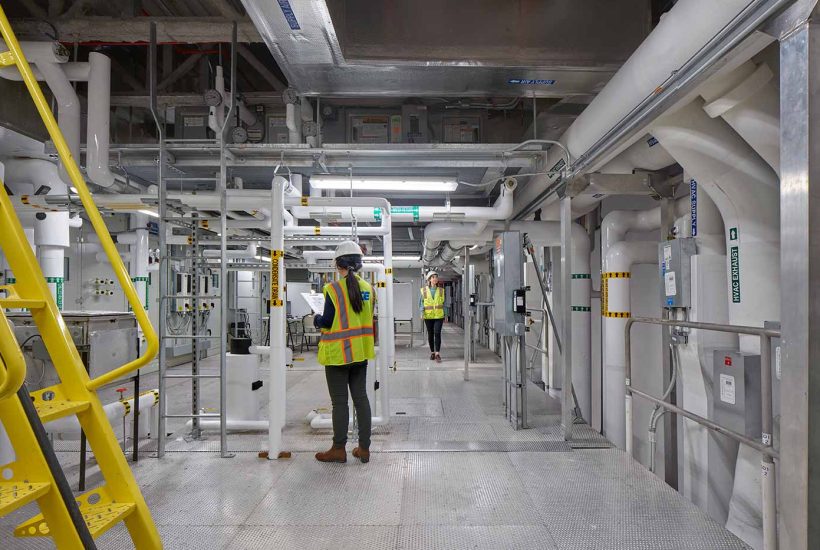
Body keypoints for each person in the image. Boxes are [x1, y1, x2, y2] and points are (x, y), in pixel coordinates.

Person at [312, 240, 375, 464]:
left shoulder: (333, 289)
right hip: (360, 355)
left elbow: (327, 321)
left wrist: (316, 319)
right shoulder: (368, 289)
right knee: (361, 400)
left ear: (340, 265)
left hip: (338, 356)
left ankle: (339, 449)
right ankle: (364, 448)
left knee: (340, 403)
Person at [420, 270, 445, 363]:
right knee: (431, 334)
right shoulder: (424, 290)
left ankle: (438, 353)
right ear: (429, 279)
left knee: (437, 333)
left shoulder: (441, 290)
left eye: (436, 277)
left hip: (439, 316)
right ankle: (432, 352)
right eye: (433, 277)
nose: (435, 279)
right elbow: (421, 303)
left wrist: (445, 313)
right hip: (428, 316)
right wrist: (421, 313)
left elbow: (444, 303)